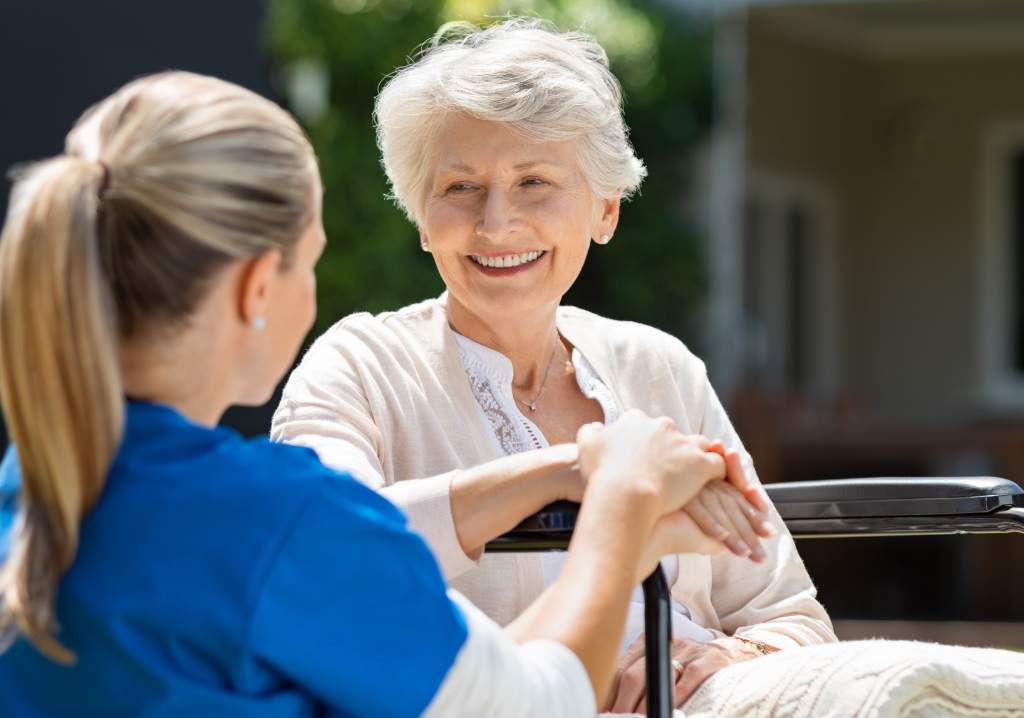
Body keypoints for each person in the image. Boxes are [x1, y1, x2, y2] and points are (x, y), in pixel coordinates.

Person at [0, 70, 744, 717]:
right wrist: (620, 500)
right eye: (313, 260)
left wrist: (569, 474)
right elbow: (535, 705)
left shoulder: (35, 483)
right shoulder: (283, 521)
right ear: (260, 285)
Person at [270, 18, 834, 712]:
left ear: (605, 210)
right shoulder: (358, 365)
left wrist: (725, 656)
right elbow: (324, 557)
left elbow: (792, 617)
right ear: (422, 217)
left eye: (534, 181)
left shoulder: (660, 368)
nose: (496, 223)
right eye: (460, 188)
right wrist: (579, 471)